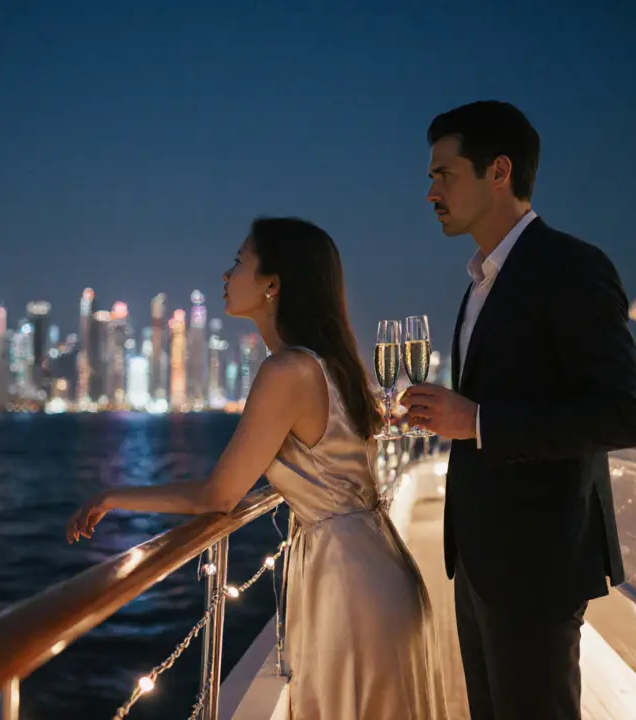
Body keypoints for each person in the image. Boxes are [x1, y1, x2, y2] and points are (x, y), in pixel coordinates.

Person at [67, 217, 448, 719]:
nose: (225, 275)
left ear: (273, 283)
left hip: (350, 584)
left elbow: (217, 497)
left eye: (238, 262)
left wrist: (113, 496)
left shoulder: (287, 371)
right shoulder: (331, 365)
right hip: (375, 566)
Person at [402, 101, 636, 720]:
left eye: (443, 174)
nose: (430, 190)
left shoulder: (572, 267)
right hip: (480, 562)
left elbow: (622, 413)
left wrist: (477, 421)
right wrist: (451, 417)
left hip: (538, 566)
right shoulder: (478, 284)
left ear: (499, 171)